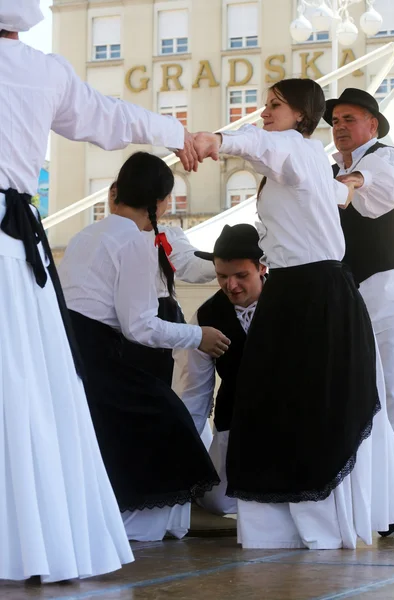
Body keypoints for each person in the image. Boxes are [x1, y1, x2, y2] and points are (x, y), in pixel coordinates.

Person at [0, 0, 204, 583]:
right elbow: (109, 117)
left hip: (18, 251)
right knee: (26, 391)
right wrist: (179, 133)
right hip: (13, 252)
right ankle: (31, 537)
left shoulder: (102, 234)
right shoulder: (41, 69)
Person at [193, 78, 394, 550]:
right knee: (285, 402)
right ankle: (294, 522)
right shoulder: (310, 160)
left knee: (312, 404)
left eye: (275, 105)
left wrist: (216, 140)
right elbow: (333, 198)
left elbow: (260, 143)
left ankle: (316, 521)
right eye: (265, 105)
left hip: (318, 291)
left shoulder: (297, 148)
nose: (265, 112)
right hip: (301, 289)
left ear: (300, 114)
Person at [59, 151, 228, 542]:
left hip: (72, 352)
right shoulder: (135, 242)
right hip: (101, 355)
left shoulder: (87, 234)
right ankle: (145, 523)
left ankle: (156, 519)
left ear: (117, 191)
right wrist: (198, 336)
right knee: (167, 417)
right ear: (163, 201)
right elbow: (140, 326)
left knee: (133, 427)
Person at [173, 224, 266, 516]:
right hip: (234, 422)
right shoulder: (205, 316)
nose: (231, 286)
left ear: (262, 268)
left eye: (241, 276)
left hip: (286, 422)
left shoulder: (290, 302)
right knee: (217, 500)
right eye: (222, 276)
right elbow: (195, 392)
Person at [324, 89, 394, 440]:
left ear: (372, 125)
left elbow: (382, 182)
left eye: (348, 119)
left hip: (388, 295)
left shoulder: (386, 157)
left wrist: (355, 180)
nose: (339, 126)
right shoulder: (330, 171)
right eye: (335, 121)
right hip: (353, 296)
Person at [108, 182, 216, 385]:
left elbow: (190, 264)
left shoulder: (164, 236)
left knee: (168, 386)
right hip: (118, 327)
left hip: (161, 318)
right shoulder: (105, 237)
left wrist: (220, 264)